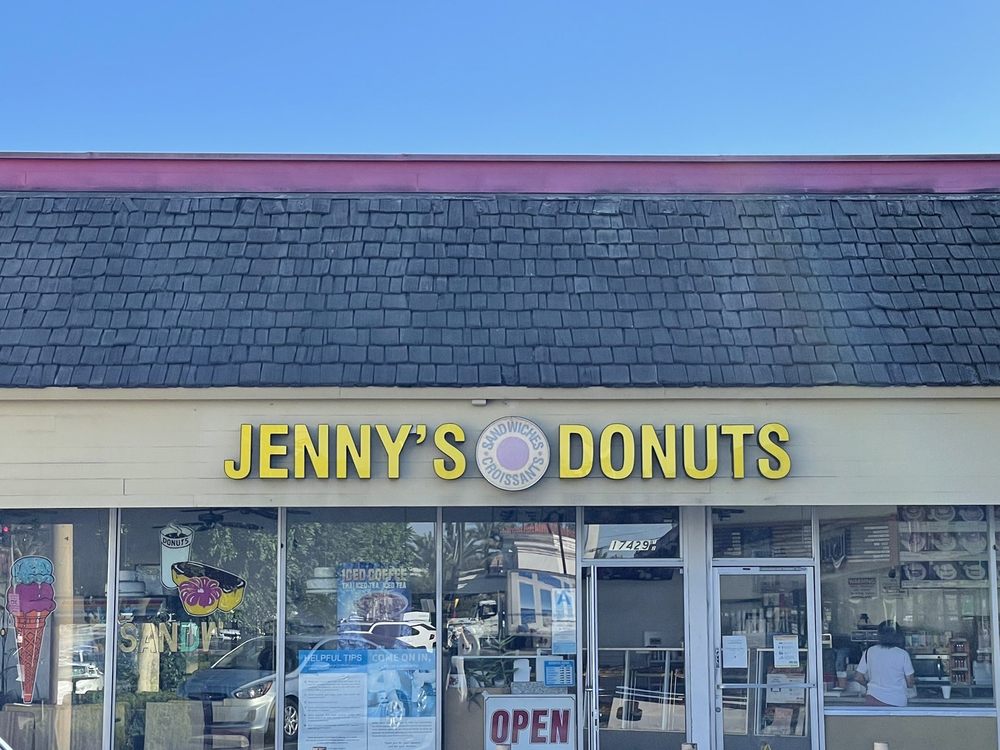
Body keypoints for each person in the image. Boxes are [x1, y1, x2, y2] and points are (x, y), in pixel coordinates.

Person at [853, 620, 915, 706]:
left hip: (872, 699)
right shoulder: (902, 654)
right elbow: (910, 682)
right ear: (898, 635)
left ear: (879, 635)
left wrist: (869, 686)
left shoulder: (869, 651)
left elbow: (858, 677)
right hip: (896, 700)